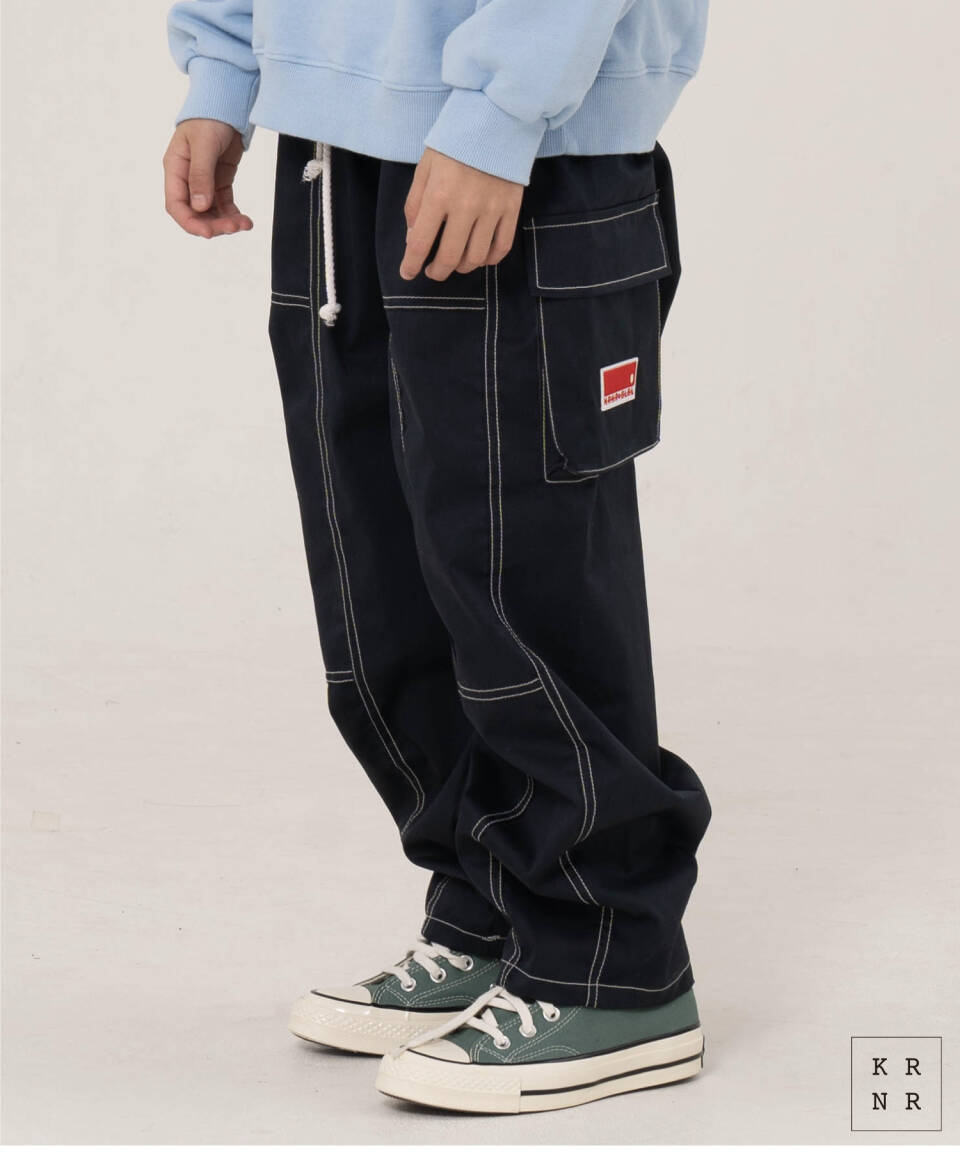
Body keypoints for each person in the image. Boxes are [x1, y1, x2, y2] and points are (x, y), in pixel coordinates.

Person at [165, 0, 712, 1115]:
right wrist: (225, 63)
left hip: (523, 148)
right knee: (384, 583)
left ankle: (612, 961)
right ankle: (495, 909)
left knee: (521, 578)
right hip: (334, 144)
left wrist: (499, 110)